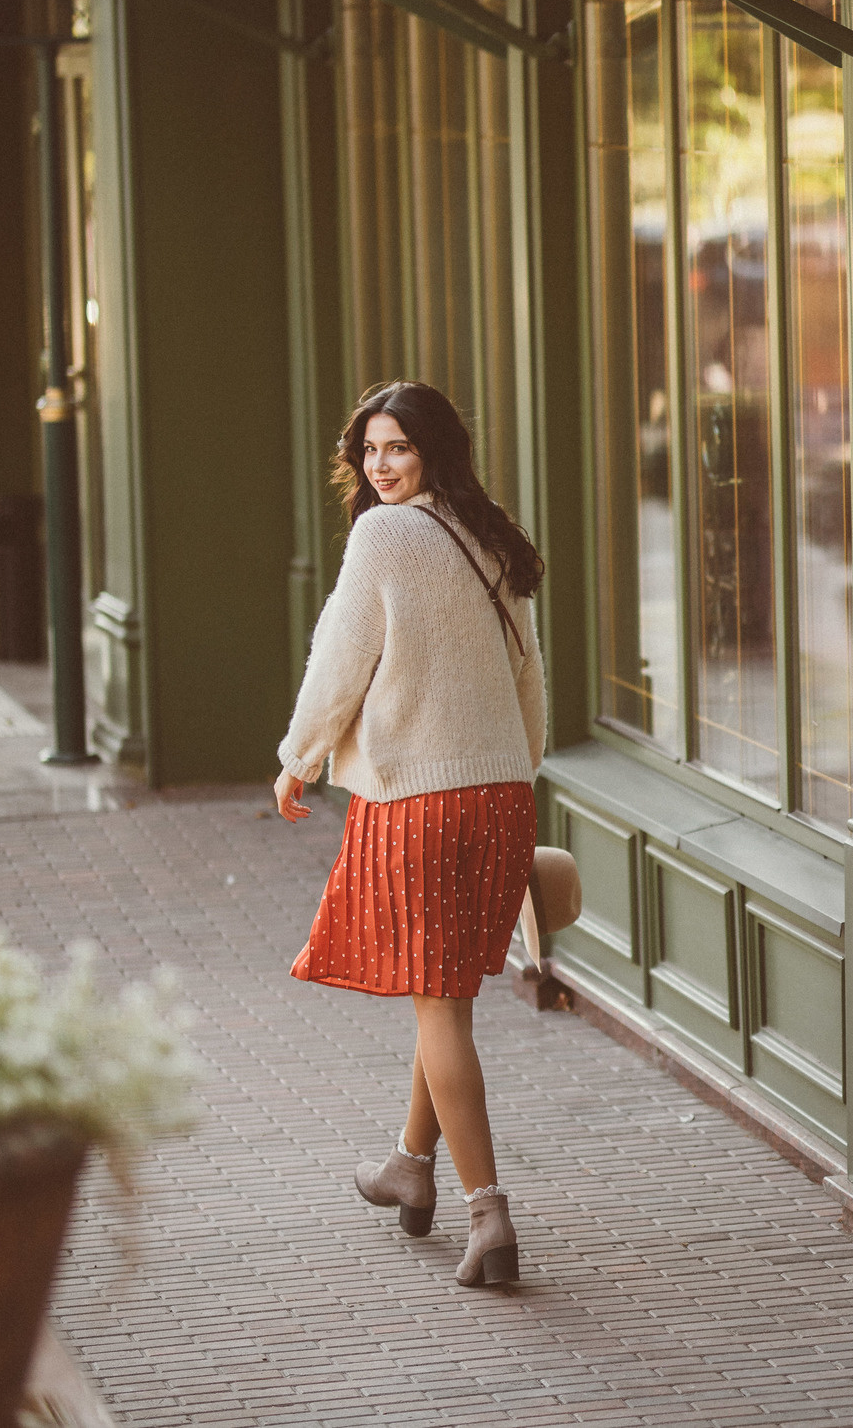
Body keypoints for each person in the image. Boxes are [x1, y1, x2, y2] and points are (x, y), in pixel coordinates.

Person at [274, 380, 547, 1287]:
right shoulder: (493, 534)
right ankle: (409, 1164)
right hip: (501, 794)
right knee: (449, 1001)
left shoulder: (383, 536)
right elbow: (528, 673)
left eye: (397, 448)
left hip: (421, 802)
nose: (379, 465)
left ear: (434, 450)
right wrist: (516, 764)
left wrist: (298, 755)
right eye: (370, 450)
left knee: (437, 1003)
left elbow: (339, 659)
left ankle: (489, 1212)